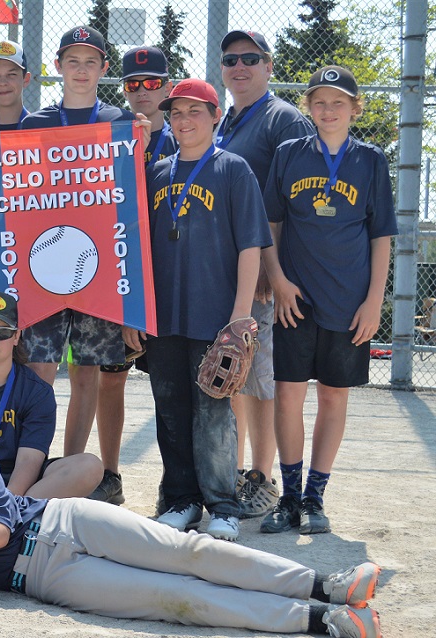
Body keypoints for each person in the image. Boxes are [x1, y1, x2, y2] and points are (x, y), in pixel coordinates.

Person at [0, 389, 382, 638]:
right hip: (43, 576)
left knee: (188, 551)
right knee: (175, 598)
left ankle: (324, 585)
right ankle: (321, 620)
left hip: (62, 519)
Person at [123, 79, 271, 542]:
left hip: (215, 316)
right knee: (170, 409)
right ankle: (182, 500)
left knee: (213, 411)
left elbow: (251, 247)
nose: (184, 120)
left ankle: (223, 505)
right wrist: (134, 312)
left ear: (214, 116)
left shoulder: (233, 169)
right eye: (176, 113)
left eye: (194, 111)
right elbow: (135, 246)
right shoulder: (156, 173)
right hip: (165, 314)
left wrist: (240, 317)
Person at [260, 66, 398, 535]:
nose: (328, 110)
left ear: (355, 108)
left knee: (334, 395)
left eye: (338, 102)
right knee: (287, 395)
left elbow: (381, 236)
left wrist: (374, 301)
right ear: (309, 107)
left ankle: (315, 497)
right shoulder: (289, 153)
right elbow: (272, 225)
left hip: (348, 300)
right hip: (295, 298)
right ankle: (289, 496)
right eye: (319, 101)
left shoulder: (370, 160)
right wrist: (278, 279)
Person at [18, 27, 150, 495]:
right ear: (57, 66)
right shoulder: (35, 123)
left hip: (99, 265)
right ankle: (31, 466)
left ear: (103, 68)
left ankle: (71, 471)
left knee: (87, 371)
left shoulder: (119, 121)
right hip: (46, 262)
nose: (80, 69)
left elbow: (130, 198)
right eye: (71, 60)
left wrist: (141, 144)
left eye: (90, 61)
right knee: (39, 369)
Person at [216, 30, 316, 519]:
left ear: (269, 66)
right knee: (237, 378)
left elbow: (290, 206)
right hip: (235, 270)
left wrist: (271, 270)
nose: (240, 66)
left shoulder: (283, 119)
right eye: (231, 59)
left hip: (266, 275)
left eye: (250, 58)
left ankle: (262, 477)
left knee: (263, 382)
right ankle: (239, 473)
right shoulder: (226, 120)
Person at [87, 45, 180, 505]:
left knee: (173, 384)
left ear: (167, 86)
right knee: (112, 378)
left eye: (152, 83)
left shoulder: (185, 138)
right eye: (133, 84)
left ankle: (177, 482)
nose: (143, 91)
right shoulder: (111, 135)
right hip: (120, 274)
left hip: (171, 275)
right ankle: (110, 474)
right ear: (122, 89)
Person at [0, 291, 102, 499]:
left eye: (2, 333)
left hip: (22, 487)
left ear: (16, 336)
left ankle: (15, 512)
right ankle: (17, 515)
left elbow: (29, 461)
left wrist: (6, 502)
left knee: (90, 466)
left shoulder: (38, 391)